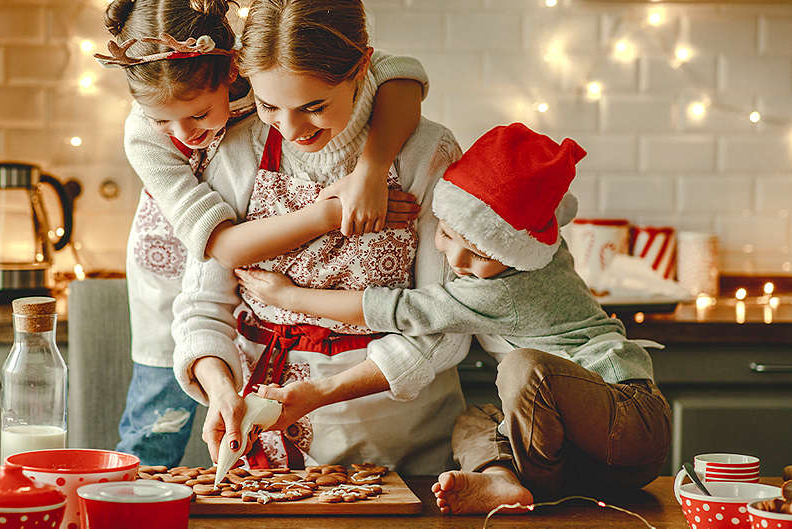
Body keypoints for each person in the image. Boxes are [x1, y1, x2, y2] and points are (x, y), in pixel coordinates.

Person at [237, 122, 671, 514]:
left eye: (479, 254)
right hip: (588, 455)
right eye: (445, 234)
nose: (455, 259)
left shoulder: (506, 288)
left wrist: (290, 295)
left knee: (525, 368)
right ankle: (503, 482)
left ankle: (535, 483)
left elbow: (399, 308)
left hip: (627, 418)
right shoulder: (536, 242)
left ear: (513, 251)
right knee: (470, 422)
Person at [97, 0, 428, 467]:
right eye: (162, 120)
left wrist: (372, 169)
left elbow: (398, 75)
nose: (182, 135)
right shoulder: (147, 136)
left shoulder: (269, 79)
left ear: (234, 72)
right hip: (183, 258)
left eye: (199, 115)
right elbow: (223, 249)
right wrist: (330, 213)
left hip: (253, 257)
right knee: (155, 425)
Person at [170, 0, 474, 475]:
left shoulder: (424, 153)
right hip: (262, 447)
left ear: (362, 69)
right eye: (268, 105)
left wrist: (324, 392)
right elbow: (203, 303)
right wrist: (221, 388)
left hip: (398, 448)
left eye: (313, 106)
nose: (289, 129)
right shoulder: (240, 146)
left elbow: (443, 323)